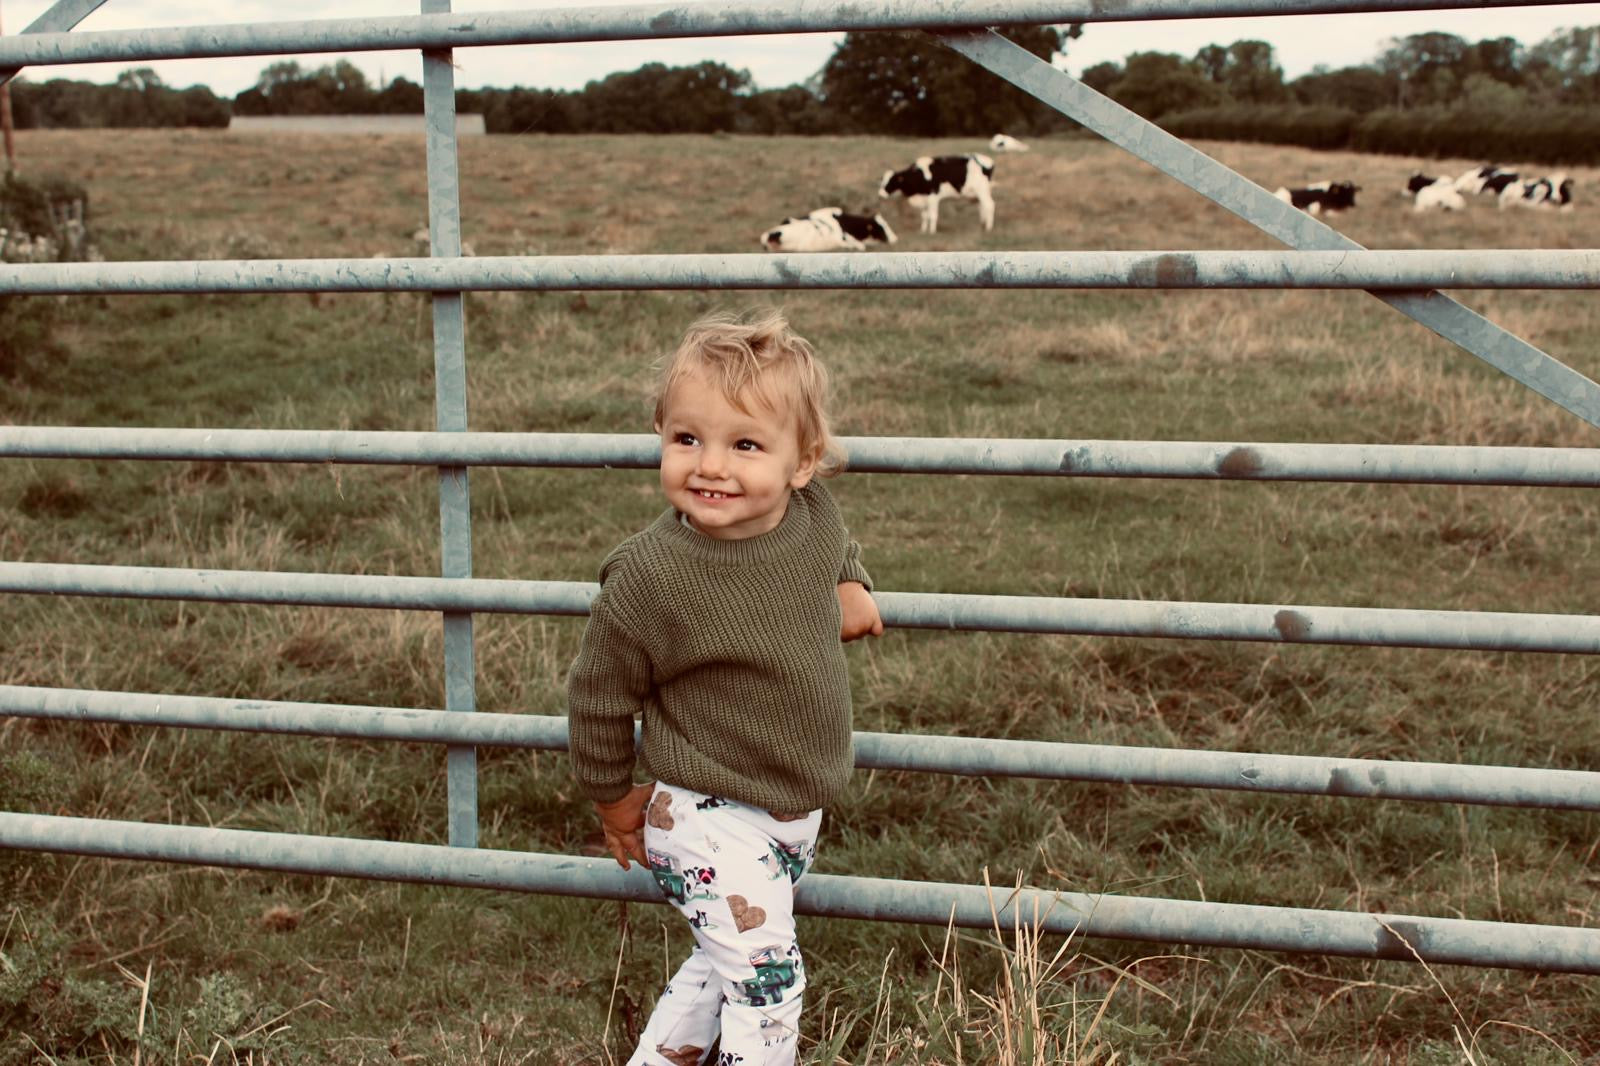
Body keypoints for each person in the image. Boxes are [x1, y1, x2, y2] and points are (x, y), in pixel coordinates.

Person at [567, 308, 882, 1066]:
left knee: (721, 968)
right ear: (661, 435)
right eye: (687, 440)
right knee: (768, 985)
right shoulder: (648, 577)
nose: (711, 465)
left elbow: (833, 547)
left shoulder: (810, 513)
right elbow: (598, 699)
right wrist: (613, 801)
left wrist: (850, 585)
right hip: (707, 813)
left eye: (744, 445)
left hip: (790, 811)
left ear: (801, 464)